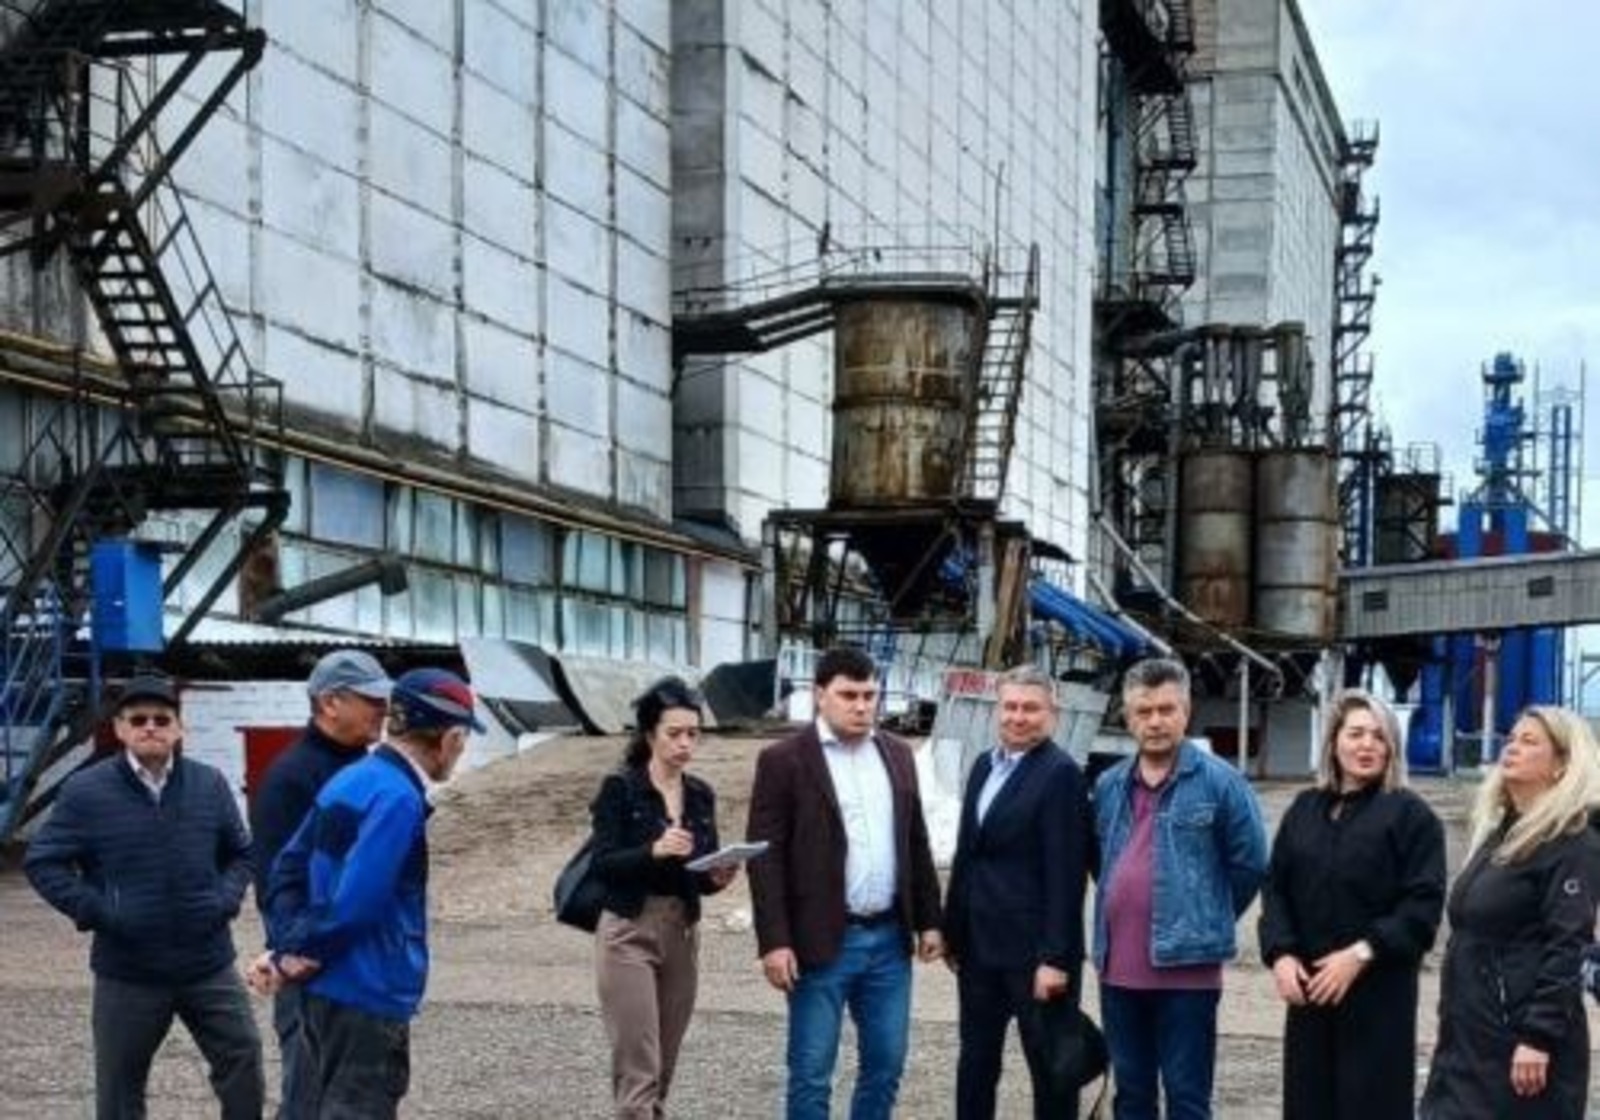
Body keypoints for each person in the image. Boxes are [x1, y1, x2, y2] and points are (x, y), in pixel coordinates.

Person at [24, 673, 264, 1119]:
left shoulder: (208, 784)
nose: (150, 726)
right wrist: (98, 910)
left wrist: (224, 899)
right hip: (128, 971)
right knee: (119, 1088)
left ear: (178, 727)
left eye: (161, 718)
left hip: (207, 964)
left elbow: (242, 854)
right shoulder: (86, 791)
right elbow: (43, 862)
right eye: (138, 719)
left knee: (244, 1061)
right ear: (120, 728)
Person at [254, 667, 483, 1118]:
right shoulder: (398, 798)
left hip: (322, 990)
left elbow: (286, 868)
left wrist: (289, 946)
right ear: (451, 738)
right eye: (463, 740)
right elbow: (356, 904)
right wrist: (291, 954)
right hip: (368, 989)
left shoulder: (353, 777)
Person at [746, 646, 944, 1120]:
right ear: (820, 695)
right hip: (820, 942)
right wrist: (774, 941)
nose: (861, 706)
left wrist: (930, 920)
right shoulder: (784, 760)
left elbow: (915, 841)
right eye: (848, 695)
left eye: (869, 695)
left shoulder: (898, 755)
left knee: (886, 1064)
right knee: (812, 1071)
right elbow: (764, 859)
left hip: (889, 940)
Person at [1091, 656, 1268, 1120]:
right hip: (1117, 970)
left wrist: (1204, 914)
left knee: (1187, 1097)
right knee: (1131, 1095)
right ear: (1128, 717)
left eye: (1166, 709)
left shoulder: (1222, 783)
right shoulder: (1109, 785)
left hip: (1188, 974)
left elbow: (1251, 863)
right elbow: (1101, 862)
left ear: (1186, 712)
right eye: (1144, 711)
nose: (1155, 721)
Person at [1258, 689, 1446, 1120]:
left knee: (1370, 1107)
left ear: (1392, 748)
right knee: (1308, 1106)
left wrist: (1362, 952)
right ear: (1334, 741)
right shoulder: (1304, 809)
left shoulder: (1411, 816)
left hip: (1377, 998)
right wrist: (1281, 953)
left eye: (1379, 736)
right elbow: (1276, 887)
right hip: (1310, 995)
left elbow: (1422, 908)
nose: (1367, 745)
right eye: (1356, 733)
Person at [1420, 705, 1600, 1119]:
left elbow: (1568, 944)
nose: (1512, 748)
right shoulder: (1502, 834)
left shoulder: (1573, 842)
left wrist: (1538, 1036)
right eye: (1512, 739)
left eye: (1529, 741)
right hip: (1468, 1033)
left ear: (1561, 765)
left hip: (1521, 1041)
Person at [943, 664, 1092, 1120]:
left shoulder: (1061, 775)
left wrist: (1055, 958)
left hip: (1035, 957)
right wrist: (952, 931)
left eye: (1031, 708)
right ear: (997, 709)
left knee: (1051, 1072)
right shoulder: (983, 766)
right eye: (1010, 706)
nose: (1018, 717)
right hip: (979, 950)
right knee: (975, 1064)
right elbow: (967, 853)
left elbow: (1067, 874)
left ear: (1052, 714)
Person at [249, 649, 391, 1116]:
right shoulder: (294, 777)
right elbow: (277, 882)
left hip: (356, 962)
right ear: (330, 703)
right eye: (372, 700)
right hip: (314, 969)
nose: (383, 710)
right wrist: (296, 954)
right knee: (309, 1098)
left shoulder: (362, 769)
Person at [589, 676, 737, 1119]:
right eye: (675, 733)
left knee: (664, 1064)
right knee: (639, 1067)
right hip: (628, 929)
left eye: (693, 733)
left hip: (681, 930)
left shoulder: (700, 794)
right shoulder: (620, 788)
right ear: (650, 734)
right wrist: (652, 850)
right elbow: (603, 864)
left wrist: (718, 876)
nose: (685, 743)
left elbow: (700, 875)